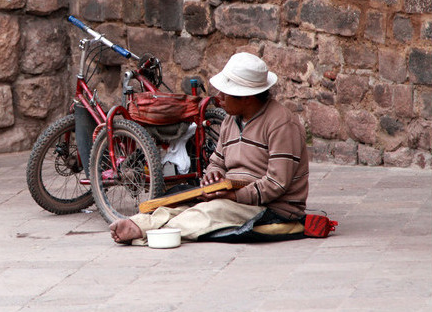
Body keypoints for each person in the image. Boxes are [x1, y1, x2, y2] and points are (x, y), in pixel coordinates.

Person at [109, 52, 310, 245]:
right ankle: (139, 224)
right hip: (234, 197)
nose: (219, 97)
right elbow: (217, 162)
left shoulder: (282, 124)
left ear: (247, 97)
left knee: (207, 213)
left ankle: (148, 232)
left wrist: (233, 196)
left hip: (270, 206)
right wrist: (213, 176)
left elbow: (276, 184)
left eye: (226, 93)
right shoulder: (231, 120)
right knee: (175, 203)